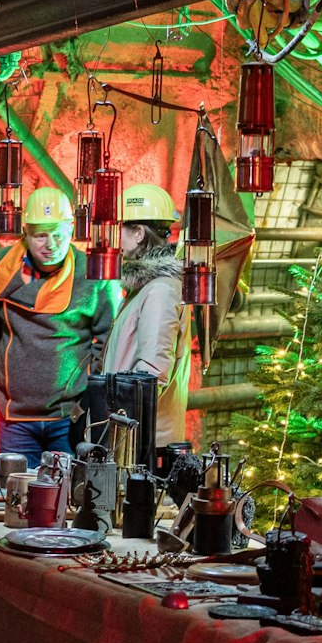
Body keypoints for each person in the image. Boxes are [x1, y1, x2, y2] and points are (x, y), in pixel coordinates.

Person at [0, 187, 117, 466]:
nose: (50, 244)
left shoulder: (91, 274)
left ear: (71, 230)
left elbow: (107, 338)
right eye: (41, 234)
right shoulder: (5, 270)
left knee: (66, 502)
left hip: (69, 418)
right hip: (15, 419)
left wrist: (89, 396)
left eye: (58, 233)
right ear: (26, 235)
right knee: (14, 498)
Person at [101, 184, 191, 446]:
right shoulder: (145, 287)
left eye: (120, 229)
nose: (114, 239)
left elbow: (151, 376)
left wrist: (116, 426)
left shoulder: (160, 291)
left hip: (140, 442)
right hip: (129, 434)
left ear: (139, 233)